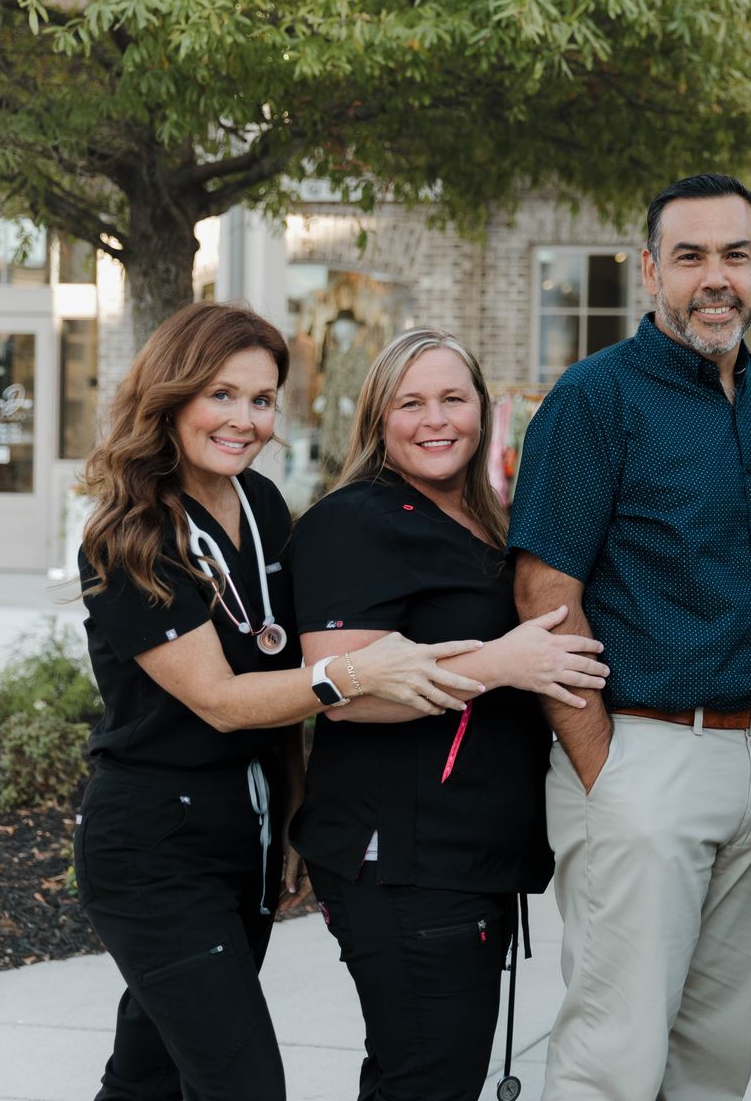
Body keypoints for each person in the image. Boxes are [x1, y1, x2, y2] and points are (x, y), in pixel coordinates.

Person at [74, 303, 488, 1101]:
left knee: (149, 1077)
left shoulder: (260, 505)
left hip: (244, 837)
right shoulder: (127, 536)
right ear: (172, 398)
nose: (245, 420)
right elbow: (224, 700)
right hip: (153, 847)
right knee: (243, 1086)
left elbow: (276, 684)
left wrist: (294, 817)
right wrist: (357, 675)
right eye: (221, 396)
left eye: (262, 400)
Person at [507, 173, 751, 1100]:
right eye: (689, 257)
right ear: (651, 272)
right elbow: (544, 590)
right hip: (644, 756)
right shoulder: (595, 398)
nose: (713, 277)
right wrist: (606, 767)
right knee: (614, 1055)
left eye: (734, 255)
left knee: (715, 1053)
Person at [286, 328, 609, 1100]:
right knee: (430, 1078)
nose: (436, 419)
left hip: (464, 862)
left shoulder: (484, 522)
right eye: (412, 402)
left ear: (482, 410)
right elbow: (343, 693)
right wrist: (502, 664)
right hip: (402, 860)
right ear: (379, 418)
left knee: (416, 1074)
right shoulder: (355, 520)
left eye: (453, 399)